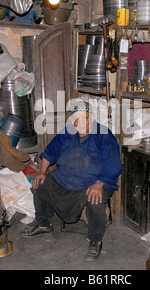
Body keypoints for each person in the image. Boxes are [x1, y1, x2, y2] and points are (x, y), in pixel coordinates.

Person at [22, 101, 122, 261]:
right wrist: (41, 172)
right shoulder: (67, 132)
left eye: (85, 118)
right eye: (76, 119)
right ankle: (43, 225)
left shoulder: (104, 134)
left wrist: (99, 183)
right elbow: (49, 153)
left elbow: (113, 163)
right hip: (64, 179)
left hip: (93, 182)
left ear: (93, 117)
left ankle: (95, 240)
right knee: (39, 184)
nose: (80, 123)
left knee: (95, 200)